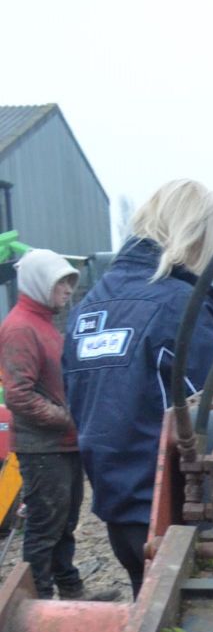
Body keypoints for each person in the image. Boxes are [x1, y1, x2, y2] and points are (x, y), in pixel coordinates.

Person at [64, 180, 213, 597]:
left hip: (120, 513)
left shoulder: (86, 309)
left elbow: (82, 403)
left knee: (147, 620)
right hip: (180, 515)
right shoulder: (178, 304)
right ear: (197, 238)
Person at [0, 250, 87, 598]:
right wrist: (68, 419)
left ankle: (70, 591)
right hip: (44, 447)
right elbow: (18, 395)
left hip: (63, 443)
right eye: (60, 282)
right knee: (44, 526)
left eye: (69, 282)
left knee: (64, 523)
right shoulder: (20, 327)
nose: (67, 290)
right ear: (39, 282)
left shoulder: (45, 324)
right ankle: (39, 602)